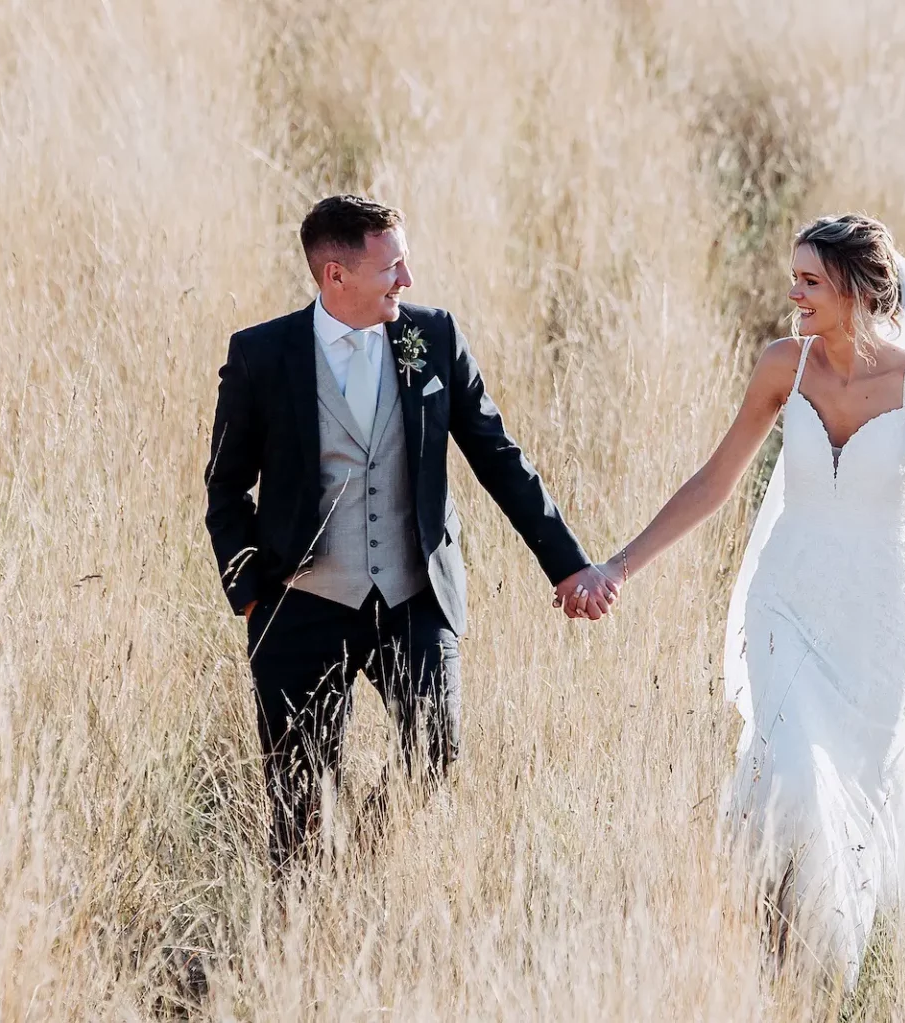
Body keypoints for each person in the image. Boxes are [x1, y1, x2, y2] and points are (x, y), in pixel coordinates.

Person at [591, 214, 905, 984]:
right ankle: (770, 948)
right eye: (794, 276)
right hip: (785, 604)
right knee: (794, 772)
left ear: (857, 289)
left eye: (809, 280)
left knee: (853, 793)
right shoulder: (782, 366)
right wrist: (617, 566)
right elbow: (713, 481)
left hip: (875, 622)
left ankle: (821, 973)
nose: (792, 292)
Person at [203, 194, 617, 868]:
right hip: (299, 606)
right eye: (392, 267)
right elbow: (224, 485)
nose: (408, 281)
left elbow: (499, 457)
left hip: (413, 599)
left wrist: (567, 564)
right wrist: (250, 594)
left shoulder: (435, 338)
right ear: (336, 276)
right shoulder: (261, 355)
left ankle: (372, 858)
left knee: (434, 761)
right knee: (298, 807)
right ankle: (302, 939)